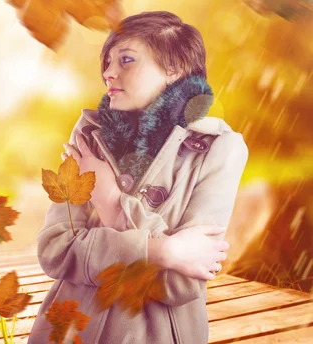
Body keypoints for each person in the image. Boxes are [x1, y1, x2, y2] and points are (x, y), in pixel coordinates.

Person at [28, 11, 249, 344]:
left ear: (174, 69)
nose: (108, 73)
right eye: (107, 62)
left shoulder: (220, 149)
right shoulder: (90, 135)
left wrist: (112, 204)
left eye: (126, 60)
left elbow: (180, 285)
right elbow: (55, 249)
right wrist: (166, 252)